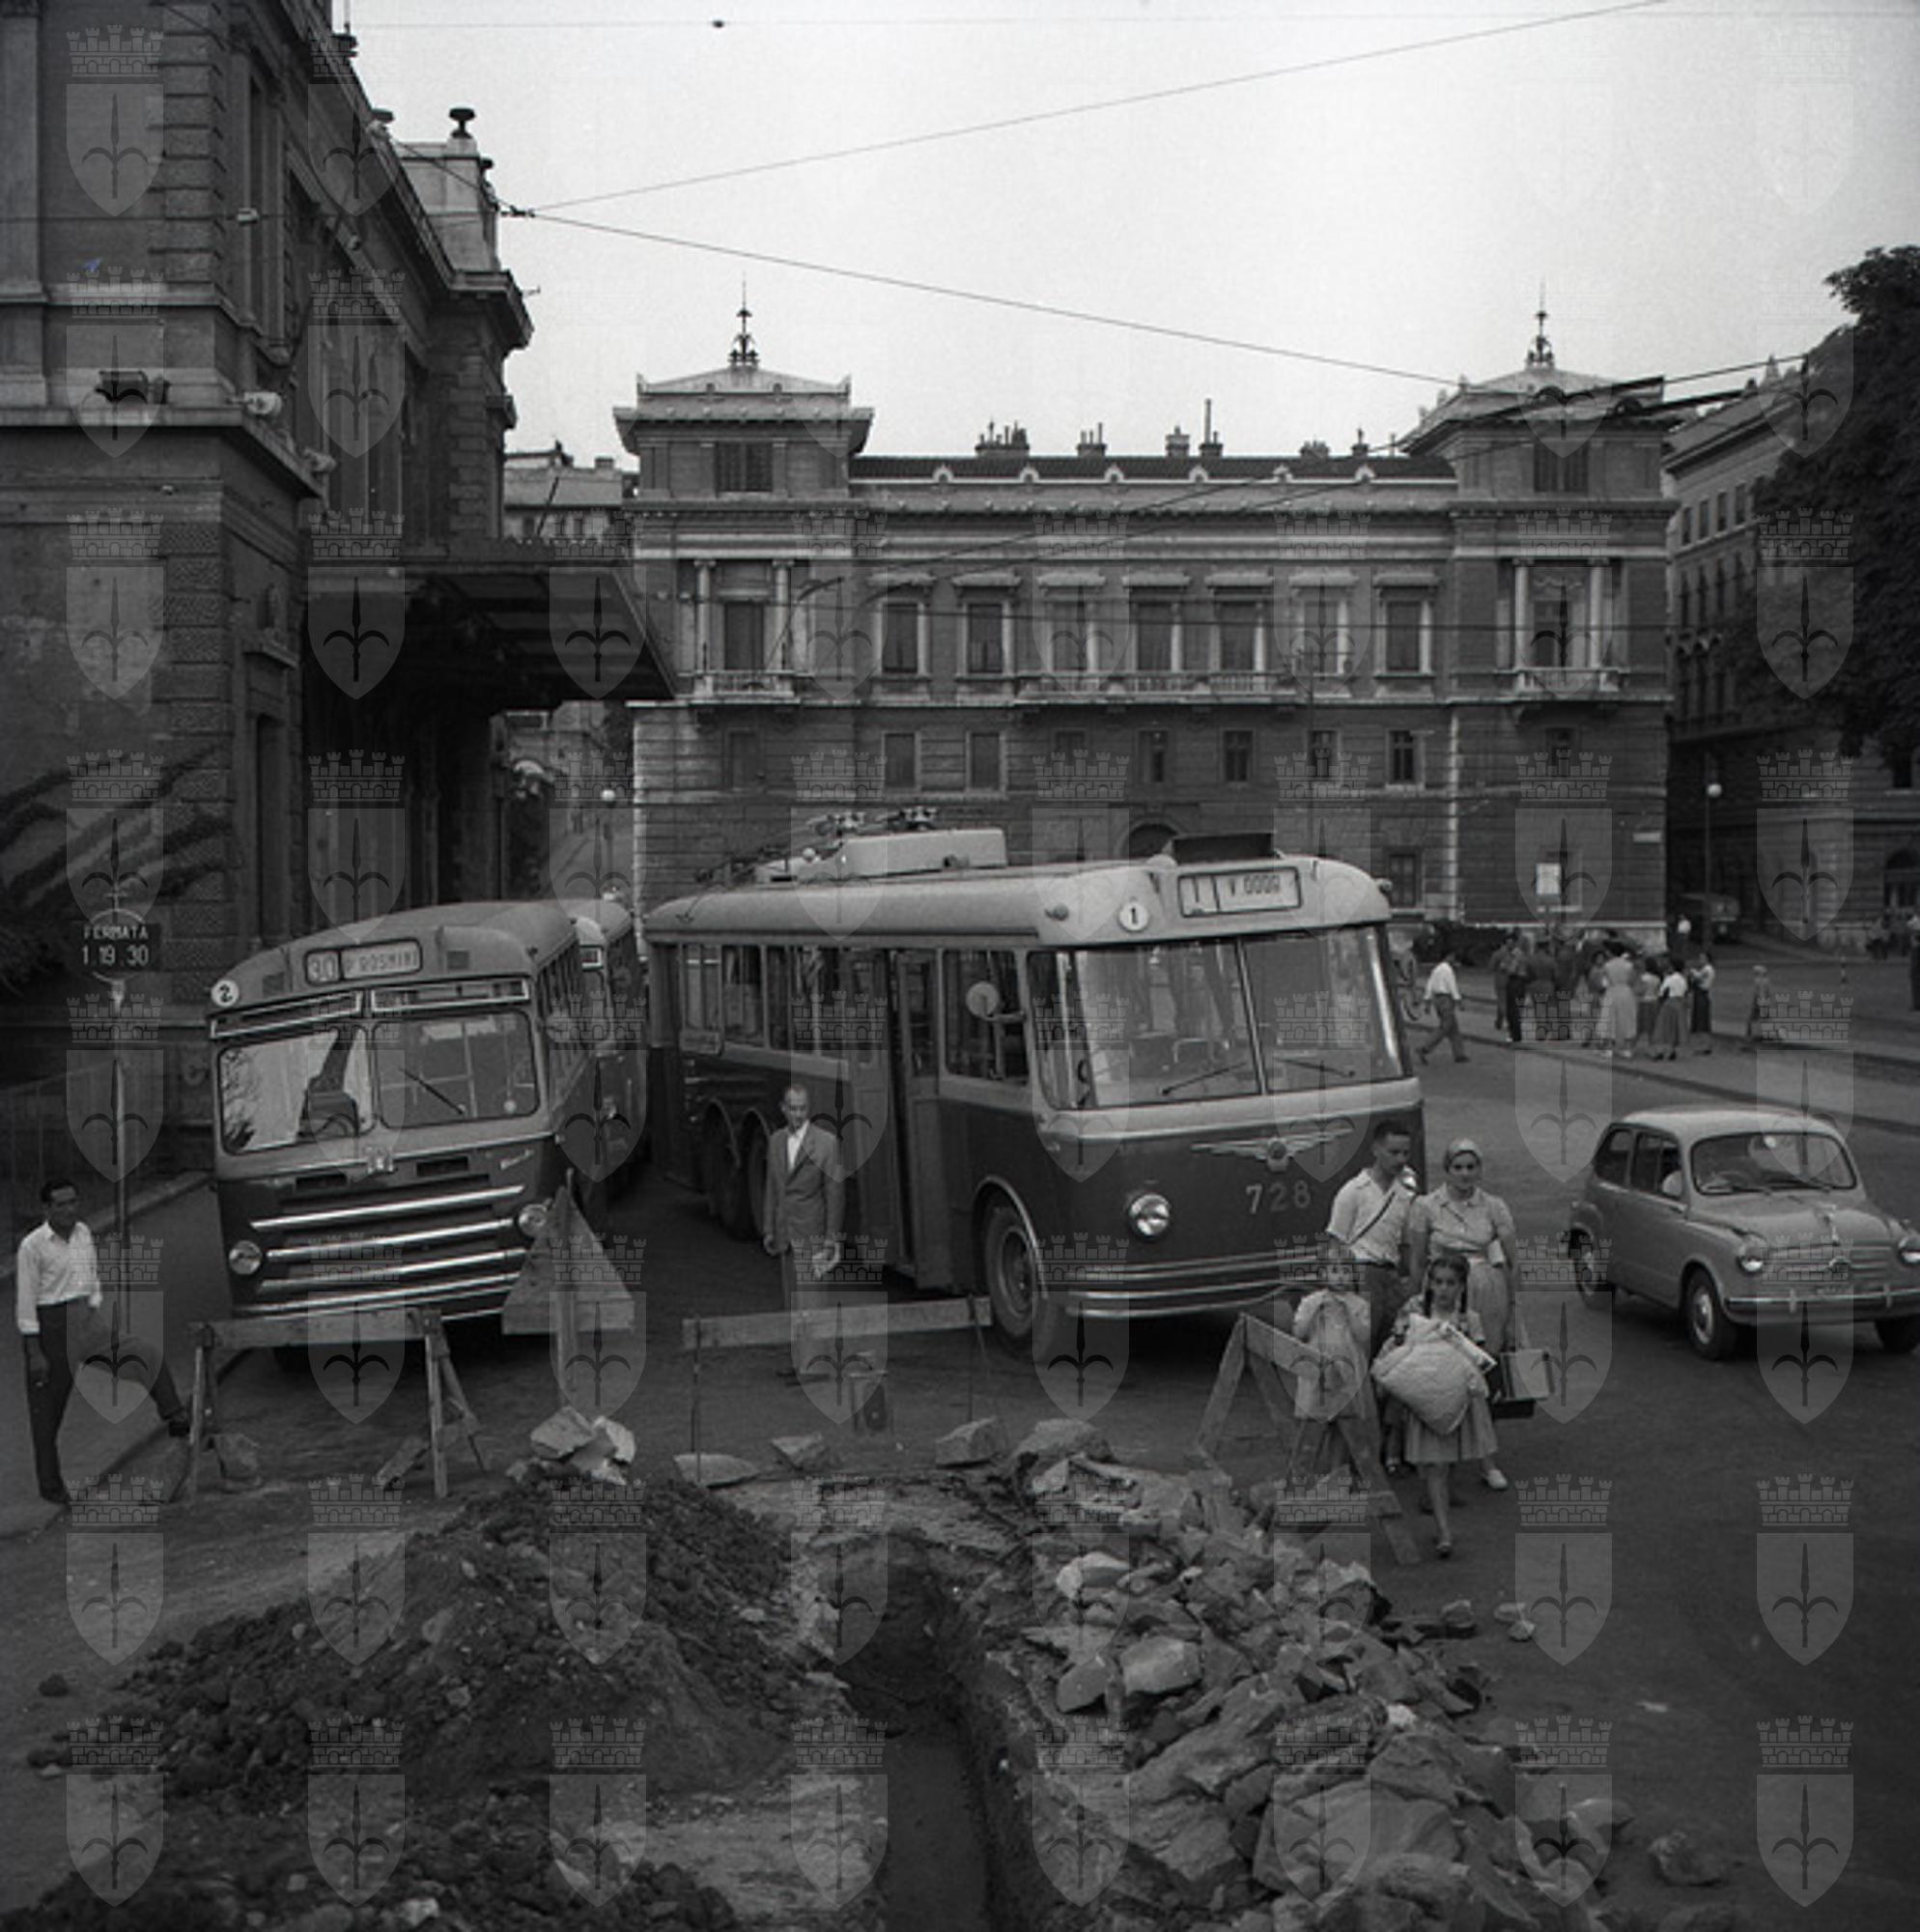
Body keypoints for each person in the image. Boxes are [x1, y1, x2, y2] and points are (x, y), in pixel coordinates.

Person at [17, 1178, 190, 1508]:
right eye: (61, 1204)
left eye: (73, 1202)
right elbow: (25, 1301)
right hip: (51, 1327)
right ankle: (52, 1489)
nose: (69, 1210)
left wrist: (94, 1306)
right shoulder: (32, 1246)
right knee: (46, 1415)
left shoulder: (83, 1232)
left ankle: (175, 1416)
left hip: (86, 1320)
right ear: (47, 1209)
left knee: (145, 1355)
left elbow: (91, 1274)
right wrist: (34, 1350)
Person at [1377, 1254, 1500, 1558]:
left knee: (1448, 1461)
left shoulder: (1468, 1318)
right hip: (1424, 1398)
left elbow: (1479, 1356)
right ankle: (1444, 1531)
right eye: (1438, 1282)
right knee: (1434, 1464)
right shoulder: (1414, 1310)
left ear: (1461, 1286)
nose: (1443, 1289)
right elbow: (1397, 1343)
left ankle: (1440, 1499)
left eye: (1450, 1283)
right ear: (1430, 1283)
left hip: (1456, 1401)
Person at [1407, 1137, 1526, 1388]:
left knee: (1486, 1353)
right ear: (1447, 1170)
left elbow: (1515, 1262)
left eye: (1471, 1167)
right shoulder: (1426, 1206)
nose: (1465, 1174)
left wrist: (1514, 1312)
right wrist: (1417, 1301)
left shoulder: (1494, 1206)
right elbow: (1416, 1259)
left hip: (1487, 1291)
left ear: (1479, 1170)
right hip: (1443, 1288)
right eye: (1458, 1167)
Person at [760, 1087, 845, 1381]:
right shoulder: (776, 1141)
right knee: (793, 1302)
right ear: (783, 1109)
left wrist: (831, 1238)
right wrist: (769, 1228)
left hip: (813, 1234)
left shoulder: (826, 1143)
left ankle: (816, 1365)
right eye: (793, 1108)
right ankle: (799, 1362)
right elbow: (773, 1188)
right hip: (786, 1233)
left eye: (803, 1109)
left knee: (813, 1301)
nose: (798, 1114)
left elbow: (835, 1194)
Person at [1324, 1118, 1416, 1358]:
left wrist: (1407, 1281)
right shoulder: (1353, 1191)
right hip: (1362, 1273)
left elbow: (1404, 1243)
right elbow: (1336, 1241)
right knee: (1361, 1344)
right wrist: (1340, 1286)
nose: (1400, 1160)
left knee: (1390, 1344)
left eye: (1405, 1153)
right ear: (1376, 1150)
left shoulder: (1403, 1195)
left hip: (1391, 1277)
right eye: (1393, 1152)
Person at [1415, 950, 1467, 1065]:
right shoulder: (1447, 970)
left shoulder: (1436, 969)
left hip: (1437, 1000)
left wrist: (1427, 1001)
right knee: (1445, 1027)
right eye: (1453, 957)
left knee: (1453, 1028)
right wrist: (1459, 1001)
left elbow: (1429, 985)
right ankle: (1425, 1048)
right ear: (1449, 956)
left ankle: (1459, 1054)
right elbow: (1452, 986)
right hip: (1446, 999)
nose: (1454, 960)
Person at [1592, 947, 1638, 1057]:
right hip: (1626, 992)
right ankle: (1627, 1048)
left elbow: (1602, 982)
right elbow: (1632, 981)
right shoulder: (1629, 965)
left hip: (1612, 991)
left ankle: (1608, 1048)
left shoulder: (1607, 965)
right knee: (1627, 1019)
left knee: (1609, 1019)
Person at [1651, 956, 1689, 1060]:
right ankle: (1672, 1050)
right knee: (1676, 1027)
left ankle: (1660, 1051)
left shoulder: (1669, 979)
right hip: (1679, 1003)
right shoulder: (1683, 979)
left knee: (1663, 1027)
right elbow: (1685, 992)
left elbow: (1662, 992)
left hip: (1669, 1003)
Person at [1687, 952, 1716, 1054]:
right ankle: (1702, 1044)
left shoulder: (1708, 969)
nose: (1699, 961)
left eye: (1702, 958)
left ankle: (1705, 1045)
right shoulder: (1704, 970)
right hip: (1699, 994)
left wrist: (1692, 972)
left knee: (1702, 1021)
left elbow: (1699, 978)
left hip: (1702, 994)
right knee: (1699, 1020)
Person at [1744, 965, 1775, 1048]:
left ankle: (1750, 1034)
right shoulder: (1766, 981)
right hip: (1764, 1001)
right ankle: (1768, 1035)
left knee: (1753, 1018)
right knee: (1766, 1018)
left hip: (1759, 1002)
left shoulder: (1759, 981)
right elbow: (1766, 993)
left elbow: (1761, 993)